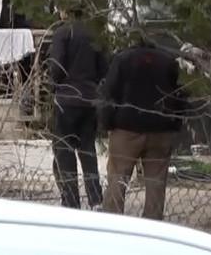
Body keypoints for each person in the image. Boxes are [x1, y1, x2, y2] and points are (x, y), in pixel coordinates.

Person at [102, 38, 190, 219]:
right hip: (160, 129)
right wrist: (174, 125)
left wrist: (107, 124)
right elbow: (178, 95)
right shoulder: (168, 61)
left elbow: (108, 93)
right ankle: (153, 223)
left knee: (118, 177)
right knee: (156, 182)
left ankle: (112, 221)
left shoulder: (122, 59)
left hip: (126, 128)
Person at [48, 12, 107, 210]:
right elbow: (104, 68)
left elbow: (56, 67)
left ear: (66, 11)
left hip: (66, 98)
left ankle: (71, 200)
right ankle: (95, 198)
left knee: (64, 152)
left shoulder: (63, 33)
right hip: (89, 98)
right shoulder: (95, 34)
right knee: (87, 150)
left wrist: (53, 85)